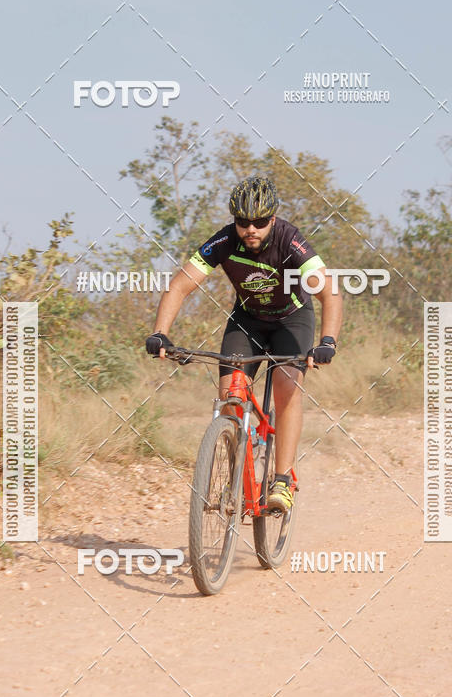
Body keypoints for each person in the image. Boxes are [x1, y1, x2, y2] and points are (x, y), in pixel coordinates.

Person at [145, 175, 342, 511]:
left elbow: (329, 292)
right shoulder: (223, 241)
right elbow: (179, 286)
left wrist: (328, 342)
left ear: (273, 220)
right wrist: (160, 332)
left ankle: (282, 480)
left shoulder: (289, 239)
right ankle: (235, 479)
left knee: (286, 384)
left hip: (291, 319)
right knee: (230, 396)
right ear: (234, 221)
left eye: (260, 222)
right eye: (243, 222)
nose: (252, 229)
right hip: (247, 319)